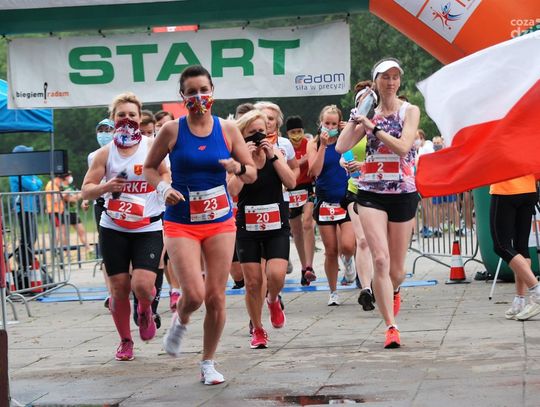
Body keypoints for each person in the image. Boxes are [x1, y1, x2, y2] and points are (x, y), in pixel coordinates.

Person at [143, 65, 256, 385]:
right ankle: (181, 318)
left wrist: (237, 167)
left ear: (213, 92)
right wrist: (163, 188)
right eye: (191, 92)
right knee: (193, 294)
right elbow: (149, 168)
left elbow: (251, 173)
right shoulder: (172, 130)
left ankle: (208, 362)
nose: (198, 97)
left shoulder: (228, 129)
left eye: (203, 90)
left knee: (216, 297)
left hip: (220, 220)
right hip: (181, 222)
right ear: (182, 96)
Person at [337, 58, 421, 348]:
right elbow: (341, 146)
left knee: (396, 270)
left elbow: (403, 147)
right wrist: (357, 117)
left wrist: (373, 129)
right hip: (371, 192)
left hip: (402, 191)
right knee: (380, 260)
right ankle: (391, 327)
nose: (391, 82)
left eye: (395, 77)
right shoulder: (368, 114)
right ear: (375, 81)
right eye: (385, 77)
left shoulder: (409, 111)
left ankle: (394, 290)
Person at [82, 92, 169, 361]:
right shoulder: (104, 153)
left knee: (142, 284)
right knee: (119, 288)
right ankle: (125, 341)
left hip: (148, 226)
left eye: (132, 114)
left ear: (140, 117)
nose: (127, 119)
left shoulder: (152, 146)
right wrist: (106, 187)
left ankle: (145, 309)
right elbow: (86, 190)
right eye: (121, 115)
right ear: (113, 119)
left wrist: (163, 188)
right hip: (114, 227)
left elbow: (165, 173)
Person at [228, 109, 295, 349]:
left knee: (276, 275)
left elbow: (291, 182)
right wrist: (244, 162)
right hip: (248, 227)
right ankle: (257, 329)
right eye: (252, 132)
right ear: (242, 135)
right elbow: (232, 191)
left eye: (261, 132)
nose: (257, 137)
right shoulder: (236, 158)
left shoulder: (275, 152)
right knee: (253, 282)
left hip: (276, 225)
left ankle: (273, 299)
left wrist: (273, 157)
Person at [307, 105, 356, 306]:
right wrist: (323, 146)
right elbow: (314, 171)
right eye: (327, 123)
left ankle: (349, 261)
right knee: (331, 250)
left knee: (347, 245)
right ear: (321, 123)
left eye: (334, 124)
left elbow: (353, 167)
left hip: (345, 199)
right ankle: (333, 291)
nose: (330, 126)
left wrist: (347, 134)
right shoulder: (314, 143)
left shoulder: (346, 140)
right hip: (325, 201)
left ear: (339, 124)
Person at [340, 81, 375, 311]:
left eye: (368, 101)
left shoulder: (383, 125)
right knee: (362, 240)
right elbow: (342, 152)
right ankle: (366, 289)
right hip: (356, 191)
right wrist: (344, 163)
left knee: (380, 243)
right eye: (361, 102)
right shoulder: (352, 128)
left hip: (382, 190)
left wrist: (365, 166)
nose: (365, 105)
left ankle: (385, 284)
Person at [489, 175, 540, 321]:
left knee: (501, 246)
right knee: (521, 247)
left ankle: (536, 291)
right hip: (528, 188)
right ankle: (519, 301)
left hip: (505, 189)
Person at [84, 118, 114, 306]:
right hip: (101, 203)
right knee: (106, 248)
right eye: (100, 130)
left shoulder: (123, 152)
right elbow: (90, 181)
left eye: (107, 130)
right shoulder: (93, 156)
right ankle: (111, 292)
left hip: (120, 202)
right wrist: (87, 198)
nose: (103, 134)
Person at [285, 115, 316, 286]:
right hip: (291, 189)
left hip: (308, 188)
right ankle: (304, 268)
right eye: (293, 132)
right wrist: (301, 161)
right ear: (287, 133)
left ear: (303, 131)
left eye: (299, 131)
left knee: (307, 223)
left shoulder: (308, 144)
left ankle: (310, 265)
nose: (296, 136)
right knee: (296, 231)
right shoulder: (285, 146)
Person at [9, 145, 43, 275]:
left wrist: (34, 182)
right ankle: (23, 261)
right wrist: (34, 182)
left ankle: (25, 259)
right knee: (27, 237)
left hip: (31, 207)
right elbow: (33, 186)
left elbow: (39, 182)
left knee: (32, 236)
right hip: (23, 207)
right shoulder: (16, 172)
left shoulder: (27, 172)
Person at [60, 171, 91, 257]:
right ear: (65, 177)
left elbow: (80, 195)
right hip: (65, 213)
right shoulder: (61, 187)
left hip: (74, 212)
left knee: (82, 231)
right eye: (69, 175)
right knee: (65, 234)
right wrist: (75, 197)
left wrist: (75, 197)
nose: (71, 177)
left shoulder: (72, 186)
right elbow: (71, 199)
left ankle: (89, 249)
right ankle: (67, 253)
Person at [45, 173, 68, 247]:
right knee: (57, 231)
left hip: (57, 211)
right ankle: (55, 248)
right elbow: (55, 200)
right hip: (54, 211)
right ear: (59, 179)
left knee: (60, 231)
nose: (61, 182)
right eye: (61, 180)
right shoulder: (52, 185)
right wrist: (64, 194)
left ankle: (60, 248)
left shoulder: (54, 185)